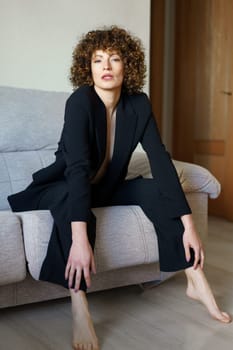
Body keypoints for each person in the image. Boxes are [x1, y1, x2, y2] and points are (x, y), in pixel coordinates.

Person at [7, 26, 231, 350]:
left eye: (114, 58)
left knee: (155, 189)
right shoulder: (80, 102)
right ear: (88, 67)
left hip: (107, 187)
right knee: (75, 200)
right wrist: (80, 239)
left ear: (129, 65)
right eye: (98, 60)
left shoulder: (138, 104)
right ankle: (79, 304)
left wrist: (189, 225)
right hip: (64, 186)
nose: (106, 66)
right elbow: (78, 170)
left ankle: (194, 278)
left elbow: (160, 160)